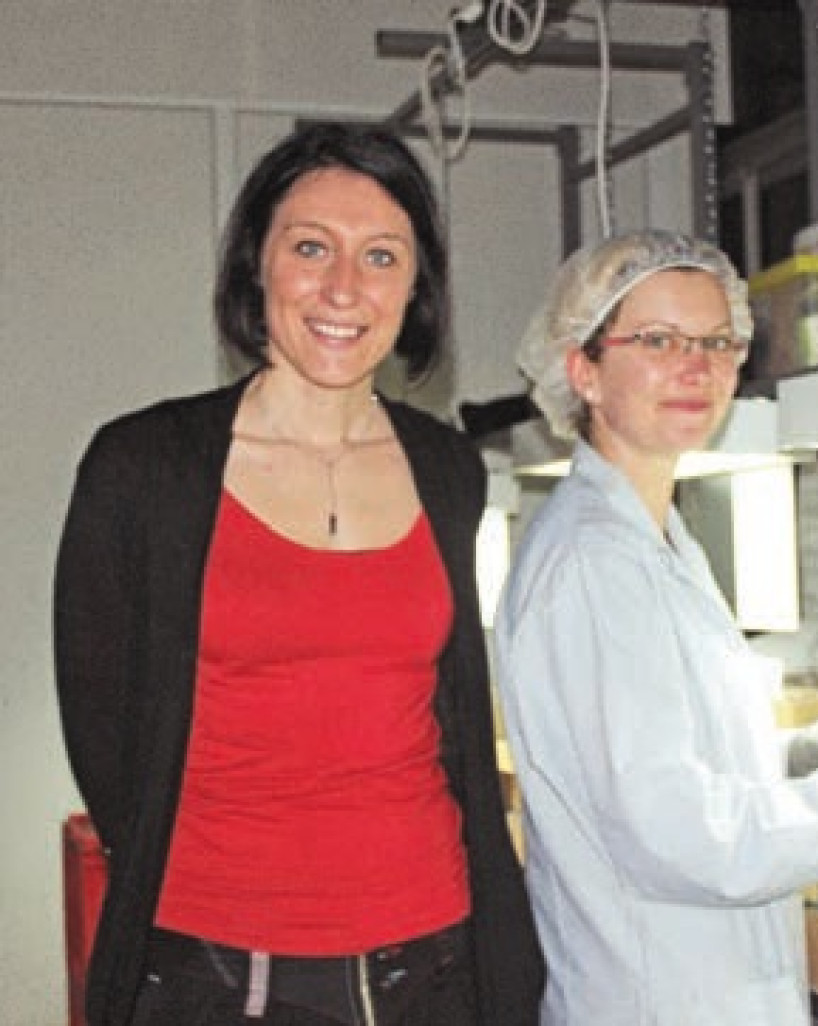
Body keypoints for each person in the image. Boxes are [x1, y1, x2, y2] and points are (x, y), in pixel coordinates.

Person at [54, 122, 544, 1026]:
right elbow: (103, 726)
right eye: (312, 247)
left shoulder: (447, 467)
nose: (344, 289)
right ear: (256, 266)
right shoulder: (143, 467)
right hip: (216, 967)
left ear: (416, 289)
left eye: (383, 256)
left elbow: (451, 714)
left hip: (431, 964)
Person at [494, 229, 818, 1025]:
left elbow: (663, 761)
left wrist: (800, 755)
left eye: (717, 340)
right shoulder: (596, 564)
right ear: (582, 369)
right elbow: (680, 834)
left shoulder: (654, 537)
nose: (697, 367)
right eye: (656, 341)